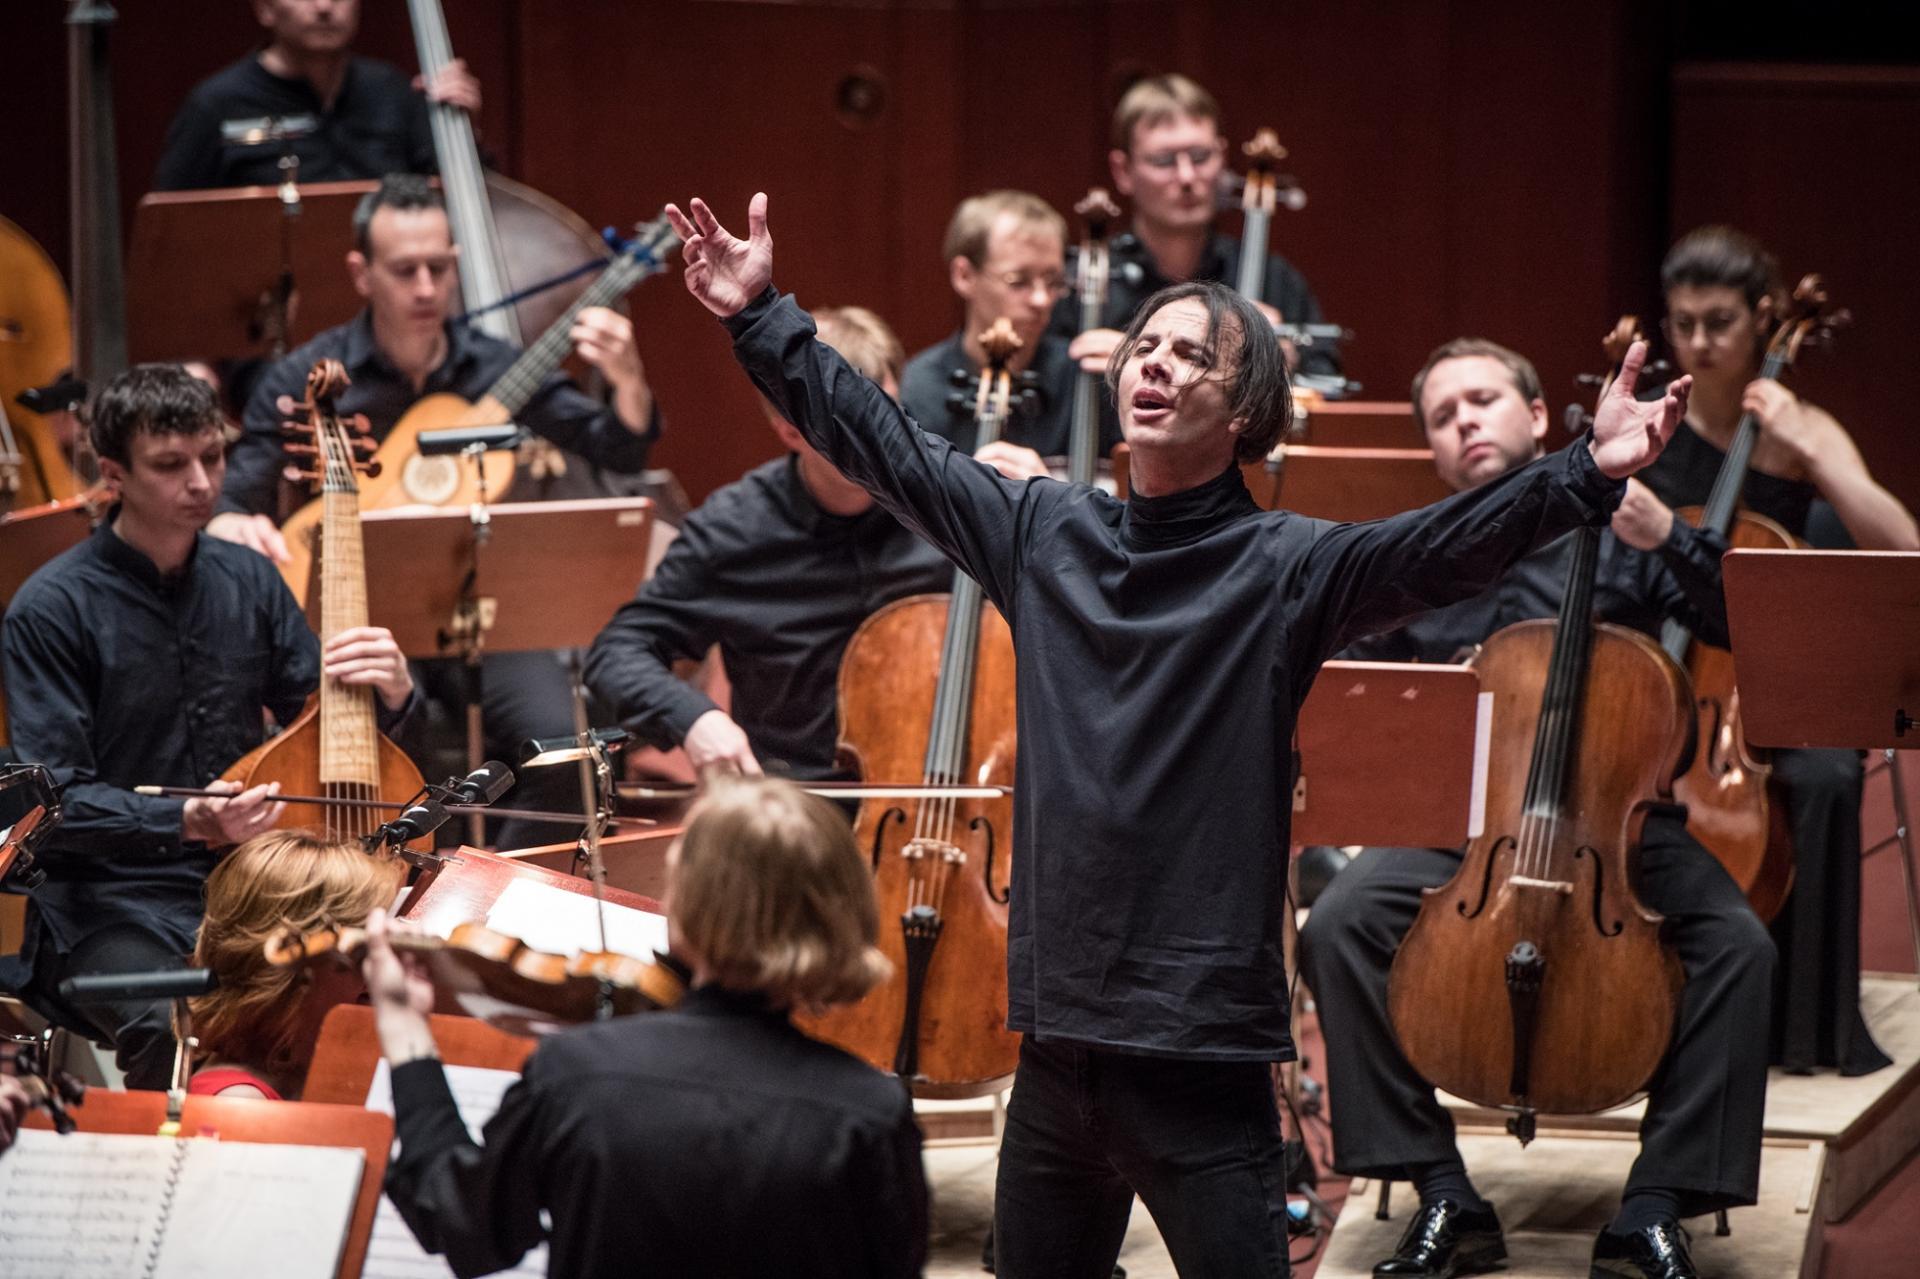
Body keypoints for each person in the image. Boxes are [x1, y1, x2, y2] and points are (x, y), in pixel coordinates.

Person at [663, 191, 1689, 1279]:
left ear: (1245, 412)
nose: (1152, 365)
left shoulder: (1289, 567)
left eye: (1190, 356)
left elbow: (1445, 544)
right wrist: (758, 313)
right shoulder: (1042, 531)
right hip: (1056, 1050)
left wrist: (1587, 470)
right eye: (1144, 347)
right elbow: (887, 446)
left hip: (1201, 1064)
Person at [1296, 339, 1771, 1279]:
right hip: (1462, 830)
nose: (1465, 419)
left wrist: (1665, 538)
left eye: (1483, 398)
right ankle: (1442, 1189)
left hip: (1616, 825)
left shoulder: (1629, 518)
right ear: (1432, 448)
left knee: (1740, 950)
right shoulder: (1424, 547)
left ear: (1540, 410)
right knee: (1341, 923)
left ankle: (1654, 1203)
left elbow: (1749, 631)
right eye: (1444, 414)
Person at [211, 173, 660, 848]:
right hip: (364, 619)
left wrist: (629, 380)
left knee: (572, 750)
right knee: (384, 750)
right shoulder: (313, 374)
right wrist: (230, 521)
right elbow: (235, 495)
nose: (425, 287)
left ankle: (493, 894)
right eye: (404, 270)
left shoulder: (494, 366)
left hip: (474, 607)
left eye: (439, 267)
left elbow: (616, 446)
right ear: (362, 274)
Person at [0, 364, 414, 1089]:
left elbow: (319, 726)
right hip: (107, 903)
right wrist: (189, 819)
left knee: (362, 992)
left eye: (213, 456)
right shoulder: (49, 610)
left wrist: (395, 691)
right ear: (113, 474)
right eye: (170, 464)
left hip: (249, 890)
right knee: (175, 1023)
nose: (200, 481)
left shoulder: (250, 581)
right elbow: (52, 804)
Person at [365, 777, 928, 1278]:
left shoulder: (577, 1074)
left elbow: (460, 1223)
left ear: (688, 909)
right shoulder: (870, 1112)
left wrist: (406, 1032)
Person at [1642, 225, 1917, 1077]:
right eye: (1683, 322)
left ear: (1765, 320)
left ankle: (1809, 1026)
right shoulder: (1661, 422)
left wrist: (1816, 456)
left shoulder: (1804, 428)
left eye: (1719, 321)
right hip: (1676, 668)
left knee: (1827, 776)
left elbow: (1901, 546)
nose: (1698, 342)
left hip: (1788, 677)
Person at [588, 306, 949, 780]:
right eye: (852, 427)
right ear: (791, 431)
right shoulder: (734, 531)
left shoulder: (947, 503)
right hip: (800, 814)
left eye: (887, 413)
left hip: (949, 792)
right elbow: (617, 652)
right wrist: (695, 719)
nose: (881, 441)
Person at [1056, 73, 1340, 384]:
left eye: (1201, 157)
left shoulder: (1275, 278)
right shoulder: (1076, 283)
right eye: (1164, 161)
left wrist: (1287, 359)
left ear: (1222, 156)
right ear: (1123, 171)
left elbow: (1327, 383)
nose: (1187, 176)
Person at [155, 0, 481, 191]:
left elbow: (465, 198)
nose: (325, 7)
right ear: (264, 8)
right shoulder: (215, 105)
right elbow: (172, 232)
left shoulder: (394, 89)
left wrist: (463, 129)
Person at [900, 191, 1114, 479]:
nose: (1042, 300)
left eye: (1053, 281)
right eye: (1018, 281)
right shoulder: (919, 390)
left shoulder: (1088, 378)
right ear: (964, 276)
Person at [186, 829, 406, 1100]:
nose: (376, 976)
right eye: (363, 952)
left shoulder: (300, 1067)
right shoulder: (240, 1101)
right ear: (296, 968)